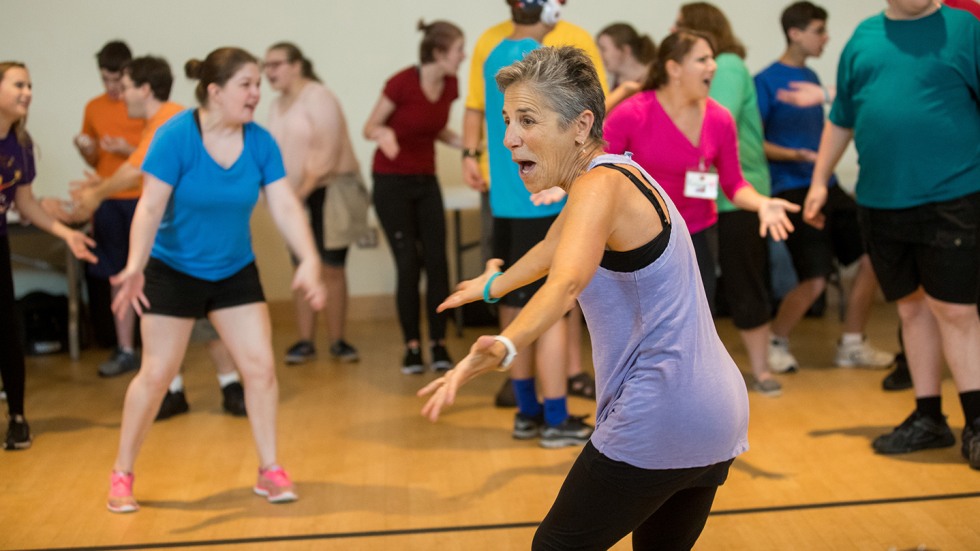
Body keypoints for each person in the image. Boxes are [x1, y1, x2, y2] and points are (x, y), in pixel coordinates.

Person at [420, 46, 752, 549]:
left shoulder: (599, 187)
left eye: (527, 120)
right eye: (507, 120)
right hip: (715, 413)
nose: (509, 139)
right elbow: (555, 248)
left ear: (581, 125)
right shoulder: (620, 175)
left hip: (661, 408)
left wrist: (507, 345)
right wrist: (494, 285)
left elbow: (567, 281)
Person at [106, 47, 326, 512]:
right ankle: (122, 472)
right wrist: (133, 267)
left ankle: (269, 470)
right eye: (245, 84)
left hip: (233, 270)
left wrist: (308, 258)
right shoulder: (175, 137)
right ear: (215, 91)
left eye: (257, 84)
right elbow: (148, 207)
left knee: (261, 369)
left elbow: (284, 203)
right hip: (173, 270)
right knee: (157, 374)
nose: (255, 92)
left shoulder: (260, 142)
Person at [804, 0, 980, 470]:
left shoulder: (965, 29)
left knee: (956, 310)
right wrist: (820, 181)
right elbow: (842, 118)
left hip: (954, 197)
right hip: (881, 201)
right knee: (910, 306)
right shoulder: (863, 38)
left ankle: (977, 424)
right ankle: (929, 418)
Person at [604, 31, 800, 395]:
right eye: (703, 59)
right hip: (639, 240)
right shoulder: (634, 112)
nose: (714, 66)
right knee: (643, 332)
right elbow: (599, 168)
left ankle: (682, 405)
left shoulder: (720, 119)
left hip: (694, 237)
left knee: (693, 327)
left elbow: (734, 184)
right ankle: (638, 405)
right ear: (674, 68)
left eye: (713, 59)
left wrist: (762, 203)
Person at [66, 56, 248, 420]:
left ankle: (230, 385)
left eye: (127, 86)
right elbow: (139, 170)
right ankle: (177, 390)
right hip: (173, 244)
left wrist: (97, 194)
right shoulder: (160, 122)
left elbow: (136, 170)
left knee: (205, 316)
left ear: (145, 89)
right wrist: (99, 187)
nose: (121, 95)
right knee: (166, 317)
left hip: (196, 244)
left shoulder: (170, 119)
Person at [461, 0, 595, 447]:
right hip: (543, 202)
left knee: (515, 308)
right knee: (553, 313)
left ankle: (526, 411)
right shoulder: (544, 66)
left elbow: (481, 117)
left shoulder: (495, 53)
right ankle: (556, 417)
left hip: (505, 202)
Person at [754, 1, 893, 375]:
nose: (826, 37)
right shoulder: (765, 81)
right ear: (795, 33)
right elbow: (754, 141)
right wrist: (794, 152)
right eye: (819, 30)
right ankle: (776, 340)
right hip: (791, 190)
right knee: (815, 280)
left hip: (826, 185)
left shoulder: (815, 80)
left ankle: (851, 343)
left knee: (873, 257)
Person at [673, 2, 783, 396]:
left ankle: (762, 369)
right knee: (702, 287)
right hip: (705, 198)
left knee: (745, 281)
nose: (673, 30)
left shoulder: (729, 65)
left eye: (681, 25)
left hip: (739, 195)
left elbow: (719, 117)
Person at [0, 61, 97, 450]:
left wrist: (64, 233)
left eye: (30, 85)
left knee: (6, 331)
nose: (28, 92)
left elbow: (25, 204)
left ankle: (17, 418)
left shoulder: (20, 146)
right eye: (18, 84)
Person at [362, 21, 464, 374]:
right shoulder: (401, 82)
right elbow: (369, 126)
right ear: (438, 53)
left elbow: (434, 129)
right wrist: (384, 134)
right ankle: (412, 347)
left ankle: (438, 343)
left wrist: (467, 144)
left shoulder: (450, 85)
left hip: (426, 180)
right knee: (409, 264)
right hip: (391, 183)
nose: (462, 57)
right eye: (457, 50)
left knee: (438, 261)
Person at [264, 42, 366, 367]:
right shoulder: (277, 104)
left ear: (296, 65)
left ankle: (338, 341)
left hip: (328, 192)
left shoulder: (317, 96)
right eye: (266, 65)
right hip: (296, 195)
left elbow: (327, 148)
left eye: (276, 64)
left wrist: (300, 194)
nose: (269, 72)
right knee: (300, 267)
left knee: (331, 267)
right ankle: (305, 341)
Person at [73, 41, 145, 377]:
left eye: (117, 80)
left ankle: (159, 348)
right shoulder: (93, 107)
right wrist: (85, 148)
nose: (112, 88)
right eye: (105, 80)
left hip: (143, 197)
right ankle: (125, 348)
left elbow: (155, 152)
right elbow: (93, 157)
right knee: (116, 273)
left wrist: (126, 147)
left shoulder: (142, 104)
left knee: (151, 271)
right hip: (107, 201)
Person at [595, 23, 656, 112]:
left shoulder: (652, 80)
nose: (600, 56)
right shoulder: (610, 80)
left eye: (604, 49)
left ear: (625, 50)